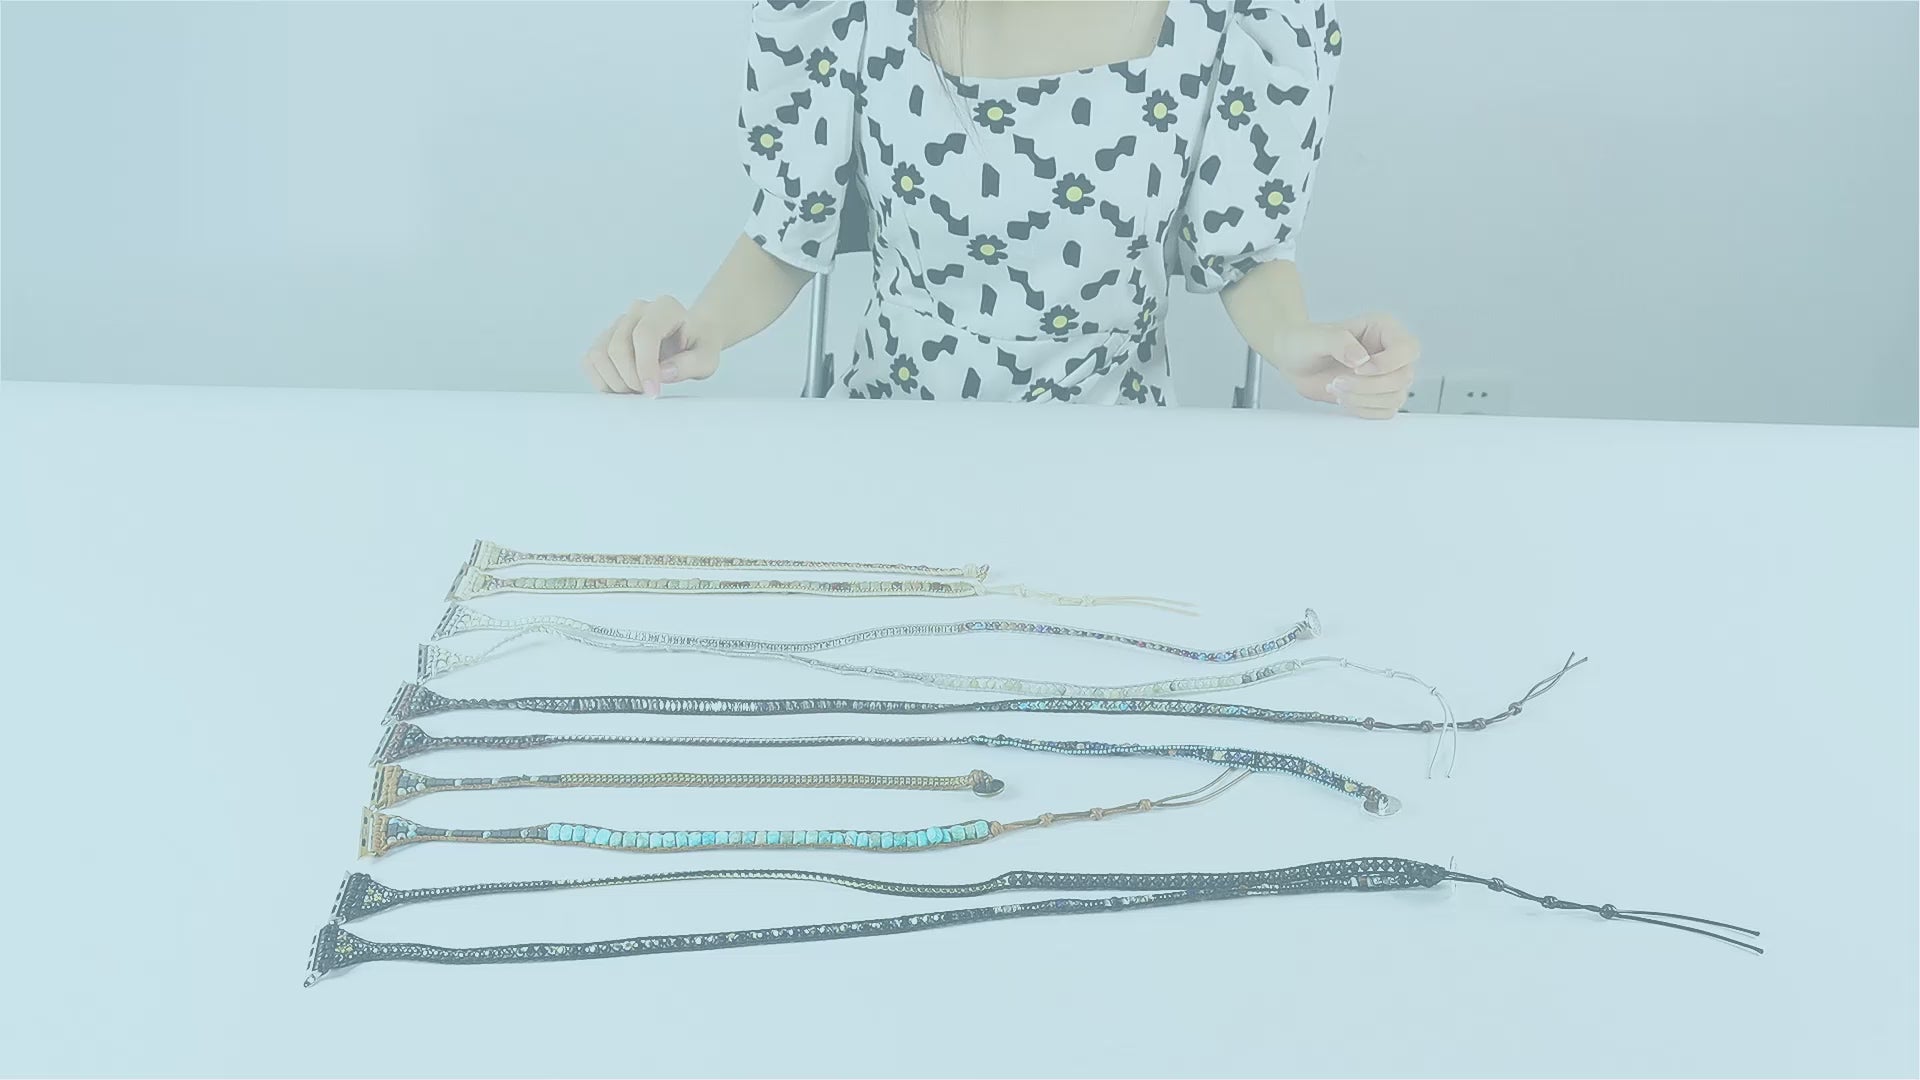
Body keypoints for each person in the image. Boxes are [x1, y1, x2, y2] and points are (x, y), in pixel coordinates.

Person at [585, 0, 1419, 415]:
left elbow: (1243, 253)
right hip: (882, 441)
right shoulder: (846, 14)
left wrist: (1299, 340)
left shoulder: (1238, 20)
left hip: (1118, 454)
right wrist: (698, 328)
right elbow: (787, 229)